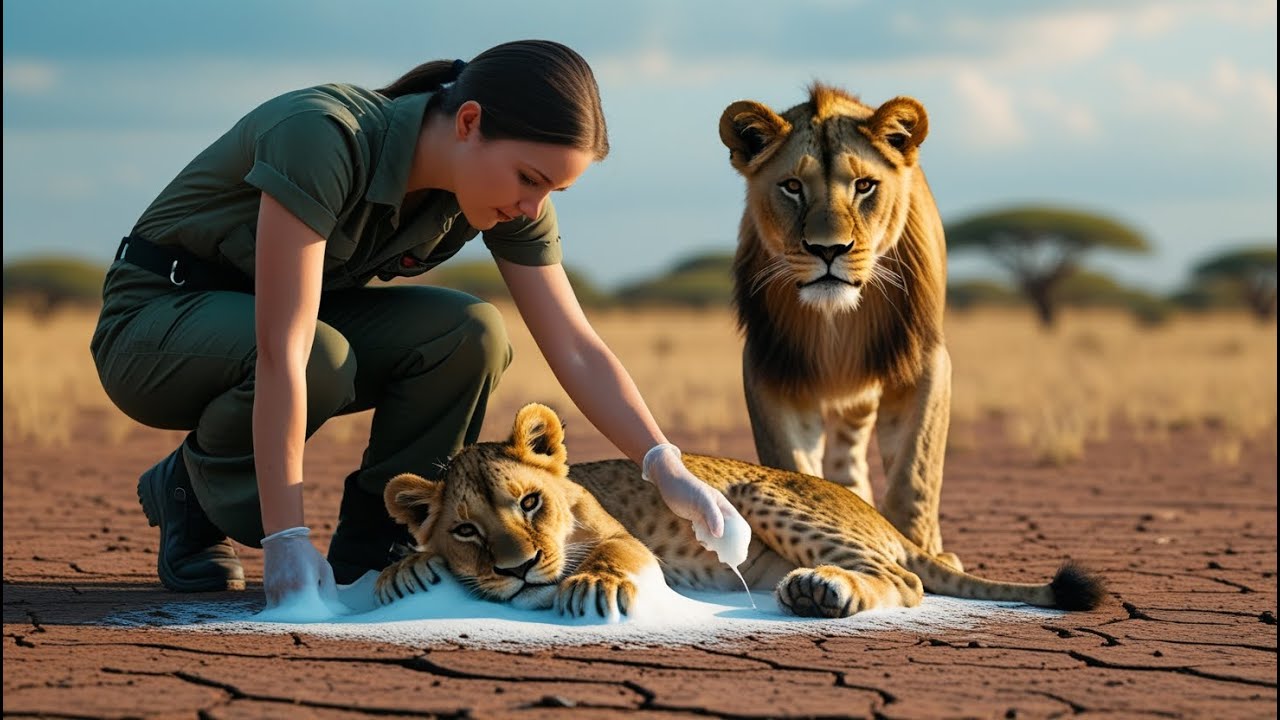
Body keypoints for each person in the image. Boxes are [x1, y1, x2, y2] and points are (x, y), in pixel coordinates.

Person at [90, 39, 744, 607]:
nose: (532, 205)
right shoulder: (324, 136)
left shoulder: (497, 197)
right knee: (319, 353)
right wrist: (284, 538)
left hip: (289, 330)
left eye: (552, 192)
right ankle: (193, 493)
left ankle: (377, 547)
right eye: (528, 178)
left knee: (470, 334)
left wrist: (663, 464)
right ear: (468, 122)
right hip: (154, 324)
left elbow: (573, 343)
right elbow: (284, 346)